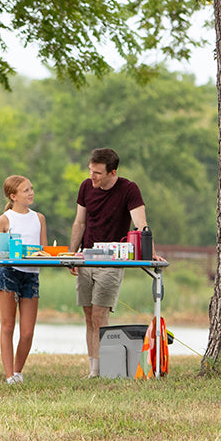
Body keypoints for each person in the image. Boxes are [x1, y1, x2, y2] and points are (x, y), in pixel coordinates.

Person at [69, 147, 151, 378]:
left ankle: (105, 369)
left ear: (112, 172)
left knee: (99, 315)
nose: (92, 176)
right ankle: (94, 370)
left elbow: (141, 225)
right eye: (90, 170)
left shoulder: (129, 189)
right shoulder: (86, 187)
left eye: (97, 173)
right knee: (88, 315)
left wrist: (150, 251)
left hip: (112, 260)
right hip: (86, 258)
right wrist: (71, 254)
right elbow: (79, 223)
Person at [0, 175, 46, 385]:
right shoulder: (5, 219)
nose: (31, 193)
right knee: (7, 327)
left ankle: (18, 371)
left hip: (31, 275)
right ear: (13, 196)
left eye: (31, 189)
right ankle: (9, 376)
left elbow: (43, 250)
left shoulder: (39, 218)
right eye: (26, 190)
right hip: (9, 273)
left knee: (28, 332)